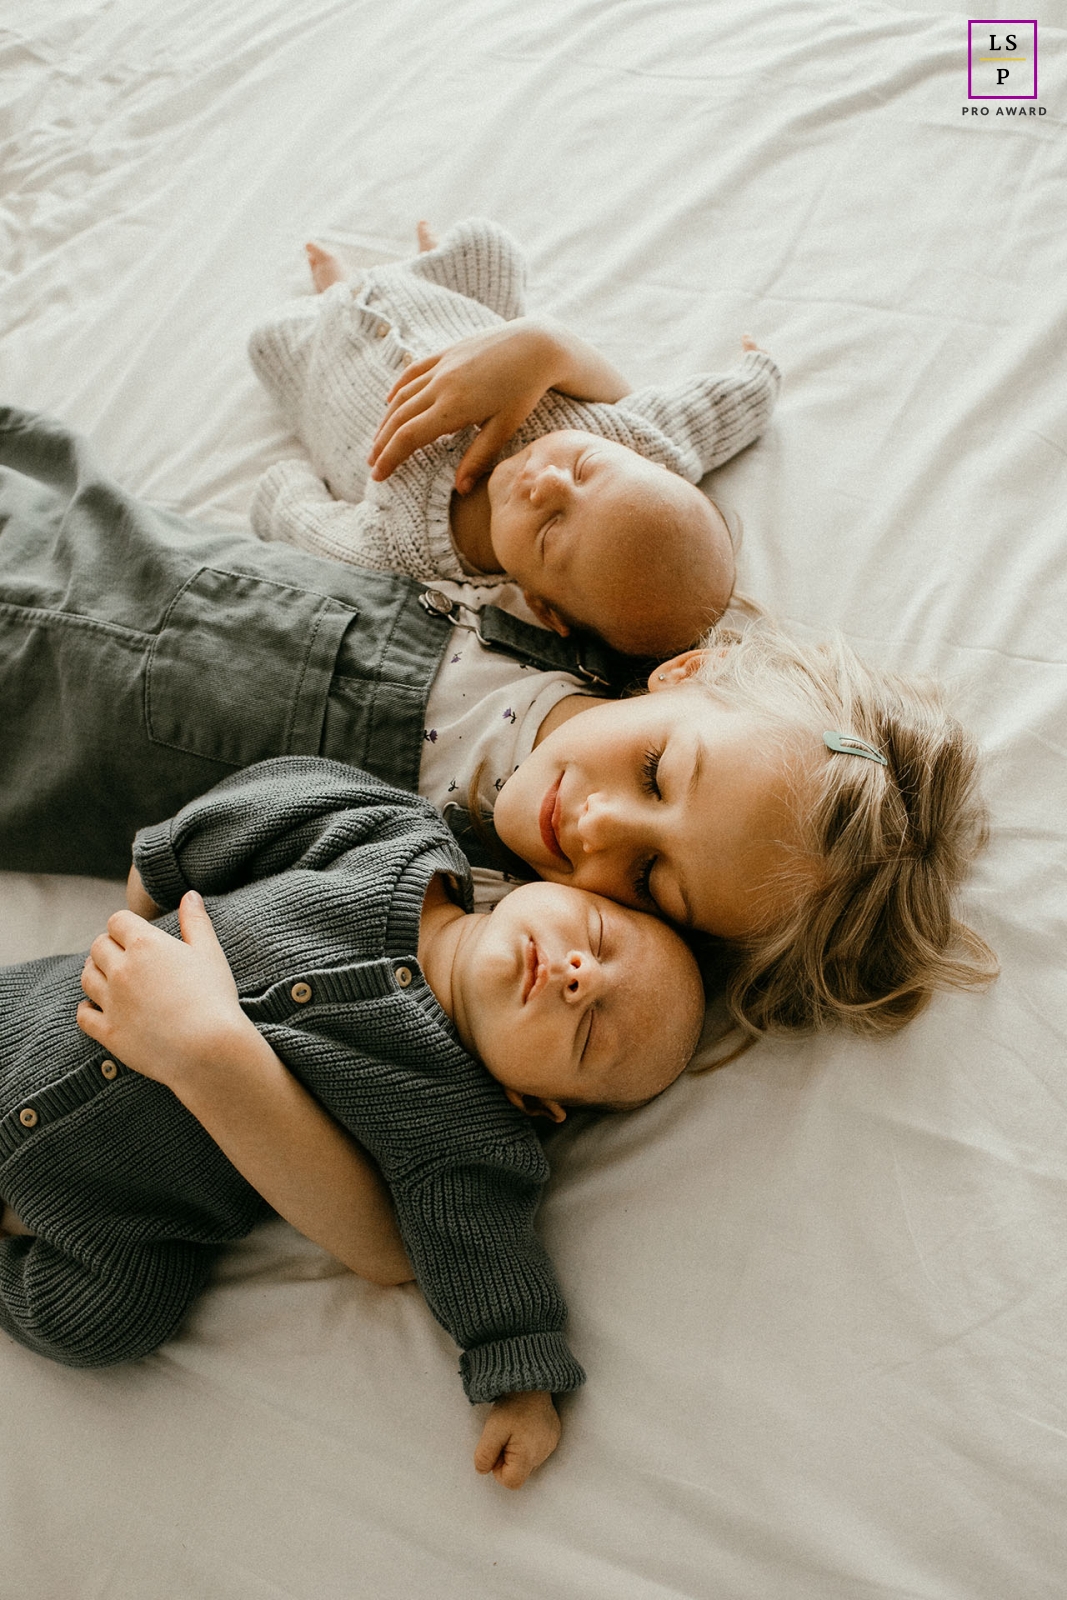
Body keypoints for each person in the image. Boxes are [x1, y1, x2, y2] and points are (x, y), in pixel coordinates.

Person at [0, 372, 993, 1045]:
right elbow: (605, 449)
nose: (600, 826)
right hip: (65, 536)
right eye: (655, 772)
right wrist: (538, 351)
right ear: (684, 673)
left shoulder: (469, 911)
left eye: (651, 878)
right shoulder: (576, 613)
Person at [0, 756, 704, 1490]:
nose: (579, 976)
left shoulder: (463, 1126)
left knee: (106, 1323)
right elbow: (272, 802)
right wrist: (152, 893)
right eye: (595, 933)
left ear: (537, 1102)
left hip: (119, 1217)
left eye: (590, 1035)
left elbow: (485, 1254)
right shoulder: (397, 840)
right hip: (34, 1020)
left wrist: (522, 1383)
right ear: (545, 888)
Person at [247, 218, 781, 657]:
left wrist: (289, 486)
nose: (546, 481)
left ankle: (335, 289)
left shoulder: (404, 550)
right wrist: (758, 375)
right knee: (487, 245)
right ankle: (422, 268)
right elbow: (709, 416)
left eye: (549, 531)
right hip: (456, 313)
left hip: (327, 361)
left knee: (268, 341)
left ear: (542, 607)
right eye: (584, 469)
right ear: (648, 463)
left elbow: (299, 520)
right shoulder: (633, 441)